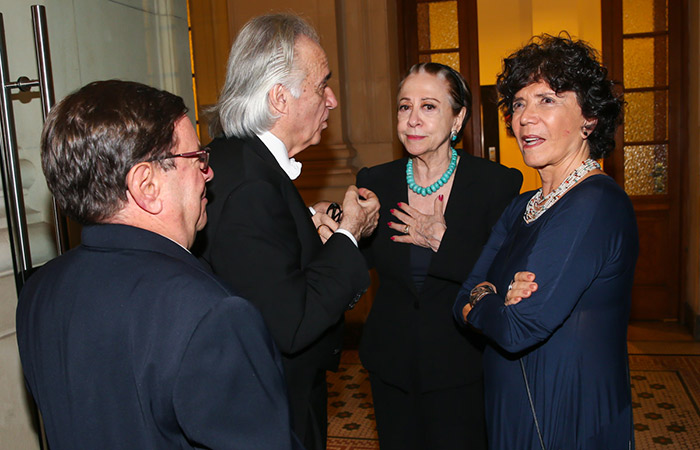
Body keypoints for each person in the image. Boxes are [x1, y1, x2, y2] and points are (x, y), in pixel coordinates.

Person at [15, 80, 302, 450]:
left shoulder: (39, 291)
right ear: (147, 185)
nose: (208, 173)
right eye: (196, 158)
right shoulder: (212, 314)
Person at [196, 13, 380, 450]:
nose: (331, 99)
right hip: (270, 408)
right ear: (280, 98)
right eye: (321, 86)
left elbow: (267, 282)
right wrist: (348, 234)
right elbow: (291, 324)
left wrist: (310, 241)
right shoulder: (250, 184)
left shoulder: (243, 160)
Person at [453, 34, 638, 450]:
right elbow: (458, 299)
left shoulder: (595, 203)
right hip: (512, 403)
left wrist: (484, 296)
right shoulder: (520, 206)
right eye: (518, 103)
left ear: (589, 117)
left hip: (565, 413)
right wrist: (491, 297)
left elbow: (517, 327)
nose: (524, 117)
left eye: (547, 100)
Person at [355, 62, 522, 450]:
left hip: (462, 367)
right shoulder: (375, 182)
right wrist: (337, 233)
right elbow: (356, 267)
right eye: (404, 106)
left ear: (457, 117)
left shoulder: (496, 184)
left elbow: (500, 279)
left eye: (429, 106)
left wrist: (443, 243)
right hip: (390, 367)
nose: (412, 119)